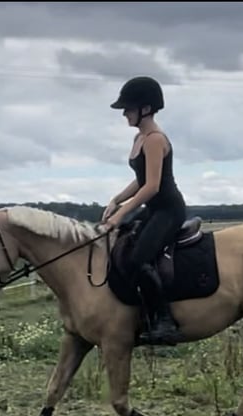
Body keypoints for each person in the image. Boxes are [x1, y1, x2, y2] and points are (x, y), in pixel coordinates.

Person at [102, 76, 187, 345]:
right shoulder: (140, 138)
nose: (125, 113)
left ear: (146, 109)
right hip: (153, 210)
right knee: (125, 246)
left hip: (169, 210)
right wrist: (116, 199)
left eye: (128, 108)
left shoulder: (154, 139)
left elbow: (151, 186)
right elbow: (140, 178)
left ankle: (164, 321)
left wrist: (120, 214)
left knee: (139, 259)